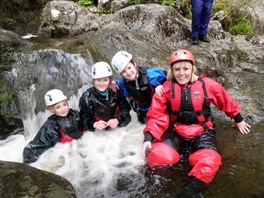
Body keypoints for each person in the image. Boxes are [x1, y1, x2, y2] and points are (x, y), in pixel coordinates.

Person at [141, 49, 251, 197]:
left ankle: (188, 192)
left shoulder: (207, 84)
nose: (181, 73)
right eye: (177, 69)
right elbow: (157, 115)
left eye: (185, 68)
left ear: (192, 69)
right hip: (176, 131)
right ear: (171, 71)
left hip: (202, 132)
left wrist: (238, 119)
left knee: (210, 162)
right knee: (157, 156)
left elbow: (224, 99)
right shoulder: (165, 89)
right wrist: (148, 138)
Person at [23, 89, 84, 164]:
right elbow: (37, 145)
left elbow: (87, 123)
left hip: (81, 146)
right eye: (58, 107)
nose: (63, 109)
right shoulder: (51, 126)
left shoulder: (75, 114)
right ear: (52, 109)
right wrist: (29, 162)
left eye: (64, 104)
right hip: (65, 155)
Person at [111, 50, 167, 124]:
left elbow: (169, 81)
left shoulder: (152, 75)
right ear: (121, 74)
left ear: (134, 64)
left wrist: (160, 85)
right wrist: (113, 83)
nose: (128, 72)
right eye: (123, 72)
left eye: (129, 68)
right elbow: (120, 89)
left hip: (159, 111)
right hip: (143, 114)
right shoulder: (123, 83)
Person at [79, 61, 131, 131]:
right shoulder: (86, 98)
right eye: (98, 80)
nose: (102, 84)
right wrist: (93, 124)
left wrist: (118, 120)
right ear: (93, 81)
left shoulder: (116, 92)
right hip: (98, 134)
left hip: (117, 130)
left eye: (105, 80)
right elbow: (83, 118)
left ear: (110, 80)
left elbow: (126, 110)